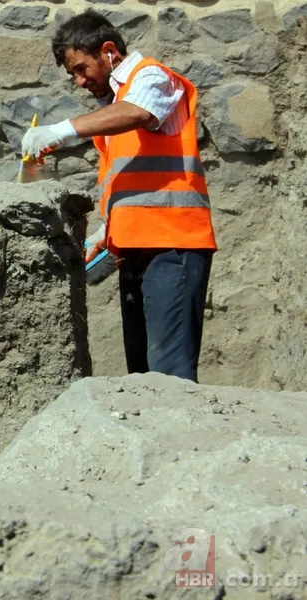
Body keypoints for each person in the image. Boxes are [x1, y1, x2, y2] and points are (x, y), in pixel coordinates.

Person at [21, 10, 217, 383]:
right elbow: (132, 185)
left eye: (81, 68)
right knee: (142, 373)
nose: (79, 81)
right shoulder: (115, 108)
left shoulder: (150, 77)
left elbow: (139, 112)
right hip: (136, 248)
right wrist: (104, 235)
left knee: (168, 374)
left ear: (109, 51)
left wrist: (60, 131)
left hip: (173, 246)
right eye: (72, 74)